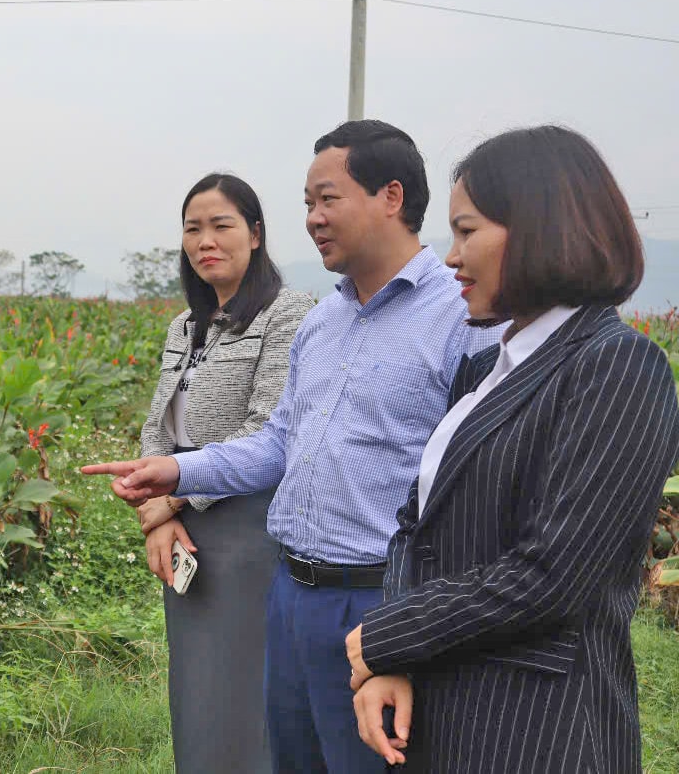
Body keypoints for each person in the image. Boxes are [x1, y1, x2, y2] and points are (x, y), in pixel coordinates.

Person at [83, 119, 502, 773]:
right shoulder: (326, 321)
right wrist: (173, 469)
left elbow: (480, 484)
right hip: (291, 592)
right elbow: (278, 440)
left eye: (327, 198)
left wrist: (422, 620)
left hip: (379, 596)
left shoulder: (458, 317)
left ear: (391, 197)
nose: (312, 218)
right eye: (308, 203)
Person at [346, 125, 679, 773]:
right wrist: (394, 663)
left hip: (535, 731)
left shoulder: (616, 366)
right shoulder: (485, 371)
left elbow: (553, 574)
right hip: (443, 713)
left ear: (540, 230)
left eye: (467, 231)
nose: (450, 256)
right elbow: (416, 530)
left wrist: (389, 636)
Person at [135, 173, 313, 772]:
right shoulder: (185, 326)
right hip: (183, 536)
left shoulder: (290, 315)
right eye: (193, 228)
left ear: (256, 234)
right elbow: (158, 427)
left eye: (222, 225)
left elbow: (269, 431)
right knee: (197, 693)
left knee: (246, 696)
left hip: (249, 532)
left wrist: (172, 500)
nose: (205, 240)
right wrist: (155, 523)